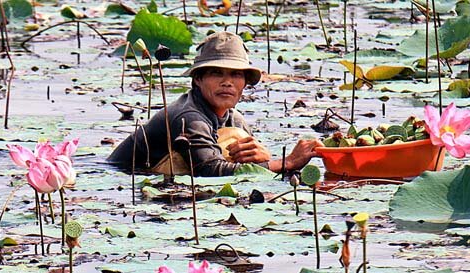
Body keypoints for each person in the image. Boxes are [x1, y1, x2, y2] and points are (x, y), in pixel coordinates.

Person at [108, 31, 323, 177]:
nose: (227, 82)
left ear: (245, 82)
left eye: (236, 74)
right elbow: (209, 170)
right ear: (198, 79)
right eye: (216, 73)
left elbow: (245, 168)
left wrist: (264, 159)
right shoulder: (188, 116)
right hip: (124, 177)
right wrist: (286, 162)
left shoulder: (235, 121)